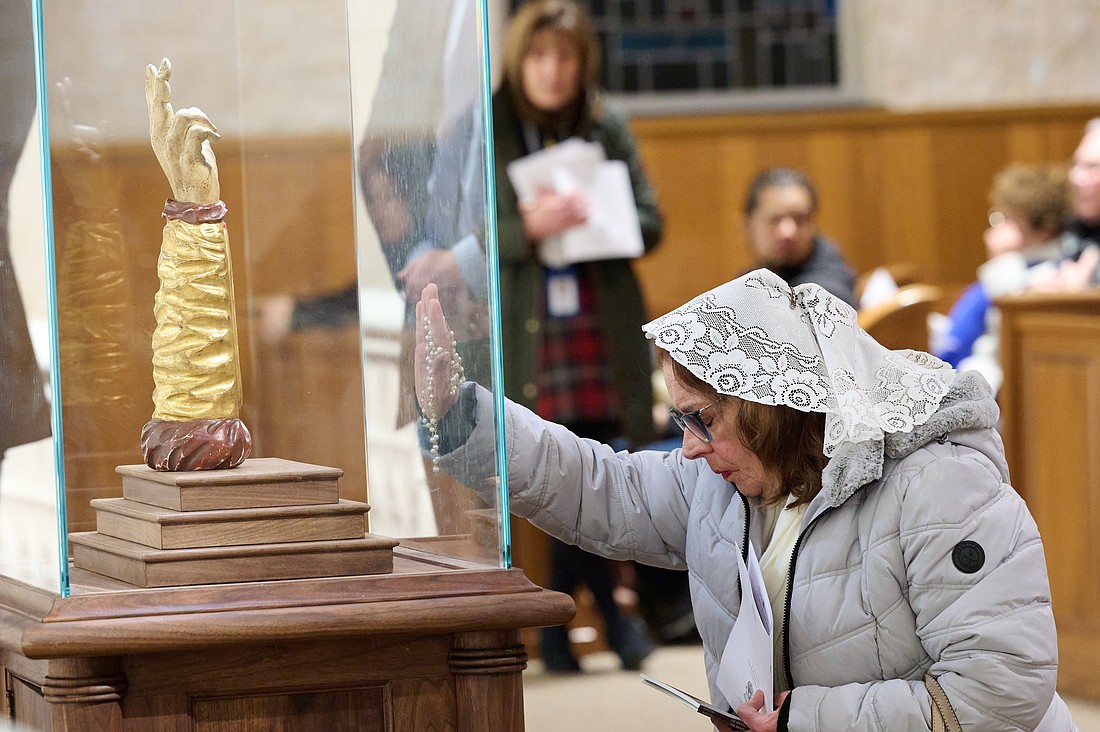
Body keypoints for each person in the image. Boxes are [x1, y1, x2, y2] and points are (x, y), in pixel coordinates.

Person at [414, 269, 1077, 731]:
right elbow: (601, 489)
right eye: (679, 421)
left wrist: (802, 721)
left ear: (769, 406)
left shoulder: (937, 483)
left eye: (701, 418)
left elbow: (1000, 692)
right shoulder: (724, 480)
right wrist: (461, 414)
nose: (690, 447)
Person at [491, 0, 661, 672]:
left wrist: (603, 217)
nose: (553, 71)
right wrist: (529, 228)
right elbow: (472, 233)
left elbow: (652, 220)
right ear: (518, 59)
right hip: (534, 328)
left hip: (600, 317)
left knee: (601, 458)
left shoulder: (604, 122)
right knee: (562, 466)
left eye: (565, 57)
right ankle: (613, 618)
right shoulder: (492, 125)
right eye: (539, 56)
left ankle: (564, 617)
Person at [931, 163, 1069, 389]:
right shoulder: (1064, 267)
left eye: (1004, 219)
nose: (990, 232)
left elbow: (951, 347)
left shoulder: (1002, 281)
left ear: (1043, 229)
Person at [742, 167, 857, 308]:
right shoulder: (753, 279)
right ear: (746, 226)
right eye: (775, 219)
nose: (788, 232)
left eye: (800, 219)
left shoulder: (826, 294)